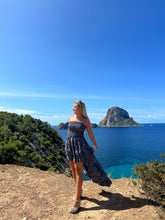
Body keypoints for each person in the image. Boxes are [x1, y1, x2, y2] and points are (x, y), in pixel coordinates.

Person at [65, 100, 112, 214]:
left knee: (78, 170)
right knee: (73, 169)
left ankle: (77, 200)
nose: (73, 109)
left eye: (75, 107)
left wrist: (95, 144)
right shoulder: (70, 119)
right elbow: (68, 132)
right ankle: (79, 191)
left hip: (80, 146)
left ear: (80, 109)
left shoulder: (86, 120)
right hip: (70, 145)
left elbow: (90, 133)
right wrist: (67, 144)